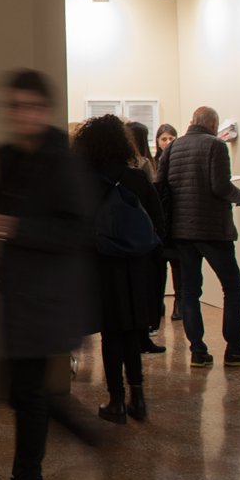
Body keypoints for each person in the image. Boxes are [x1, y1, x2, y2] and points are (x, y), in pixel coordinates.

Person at [0, 70, 96, 480]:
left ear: (44, 110)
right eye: (14, 106)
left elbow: (78, 230)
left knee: (26, 393)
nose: (21, 115)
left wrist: (16, 228)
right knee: (14, 388)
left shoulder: (64, 162)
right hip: (14, 288)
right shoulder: (7, 156)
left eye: (29, 107)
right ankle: (80, 433)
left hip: (48, 294)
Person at [155, 106, 240, 369]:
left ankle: (198, 351)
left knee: (190, 291)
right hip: (213, 230)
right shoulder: (216, 146)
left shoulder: (173, 147)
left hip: (181, 231)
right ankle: (235, 348)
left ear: (193, 121)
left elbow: (162, 184)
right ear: (214, 125)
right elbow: (220, 185)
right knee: (233, 287)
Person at [75, 115, 164, 424]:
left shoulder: (85, 181)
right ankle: (137, 397)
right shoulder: (137, 177)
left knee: (112, 333)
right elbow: (157, 220)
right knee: (132, 333)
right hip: (137, 266)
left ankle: (116, 400)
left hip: (103, 264)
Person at [126, 120, 166, 354]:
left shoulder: (134, 166)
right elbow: (152, 200)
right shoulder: (142, 166)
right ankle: (143, 335)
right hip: (143, 233)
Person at [153, 122, 183, 322]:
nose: (167, 142)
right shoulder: (153, 163)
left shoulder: (179, 162)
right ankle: (158, 304)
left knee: (178, 267)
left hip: (176, 220)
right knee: (158, 268)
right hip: (159, 223)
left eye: (171, 138)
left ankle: (179, 305)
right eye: (164, 138)